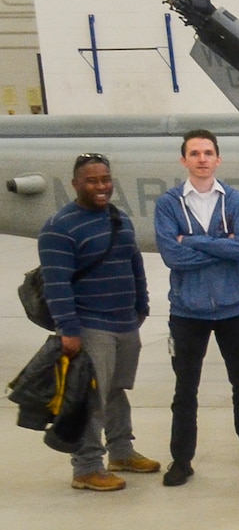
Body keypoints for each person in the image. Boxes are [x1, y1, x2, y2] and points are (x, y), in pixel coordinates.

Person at [155, 129, 239, 487]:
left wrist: (191, 241)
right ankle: (181, 459)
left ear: (218, 159)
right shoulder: (168, 204)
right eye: (195, 153)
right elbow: (170, 254)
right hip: (187, 313)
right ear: (184, 160)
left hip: (233, 310)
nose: (202, 159)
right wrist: (218, 244)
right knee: (185, 389)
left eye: (208, 153)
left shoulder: (235, 200)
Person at [40, 153, 154, 491]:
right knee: (91, 397)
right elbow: (56, 284)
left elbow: (135, 264)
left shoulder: (120, 219)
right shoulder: (59, 227)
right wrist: (69, 331)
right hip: (90, 325)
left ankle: (121, 451)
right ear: (75, 184)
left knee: (117, 391)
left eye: (105, 179)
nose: (101, 186)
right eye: (92, 180)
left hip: (125, 322)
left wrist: (142, 306)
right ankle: (87, 467)